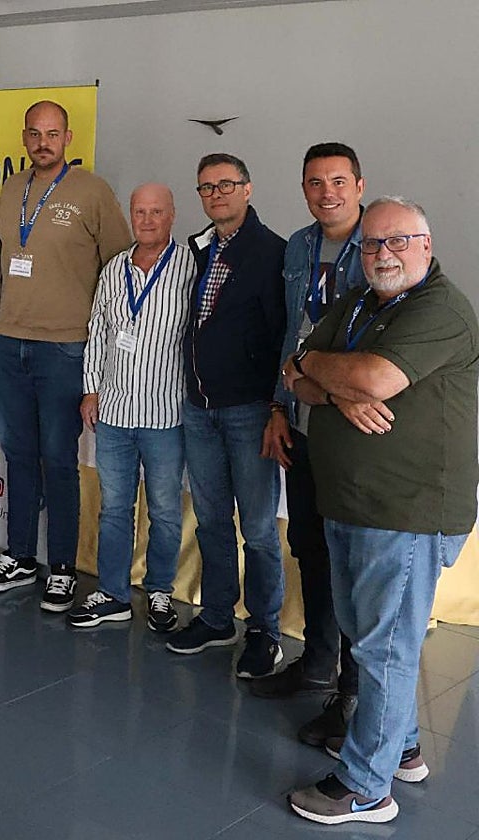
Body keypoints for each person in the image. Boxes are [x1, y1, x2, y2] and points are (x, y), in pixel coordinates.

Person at [286, 197, 478, 825]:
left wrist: (330, 375)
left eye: (397, 241)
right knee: (376, 640)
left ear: (426, 243)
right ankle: (403, 748)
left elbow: (370, 379)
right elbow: (299, 367)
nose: (382, 254)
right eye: (370, 244)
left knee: (383, 650)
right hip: (353, 503)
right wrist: (332, 380)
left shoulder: (440, 308)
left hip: (406, 510)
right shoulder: (364, 301)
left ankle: (366, 788)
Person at [0, 100, 131, 612]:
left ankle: (62, 567)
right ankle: (20, 556)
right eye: (35, 134)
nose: (43, 142)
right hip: (7, 343)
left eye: (53, 134)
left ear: (68, 139)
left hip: (65, 347)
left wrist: (105, 349)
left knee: (58, 461)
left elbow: (119, 269)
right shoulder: (10, 189)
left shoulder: (93, 191)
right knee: (18, 456)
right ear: (24, 138)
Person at [253, 144, 367, 746]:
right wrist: (278, 405)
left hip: (348, 435)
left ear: (358, 184)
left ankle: (352, 695)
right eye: (315, 182)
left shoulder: (379, 247)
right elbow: (286, 334)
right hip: (297, 423)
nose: (327, 192)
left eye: (338, 181)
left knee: (348, 562)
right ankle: (318, 667)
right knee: (310, 548)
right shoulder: (298, 247)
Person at [165, 153, 287, 679]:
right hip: (199, 410)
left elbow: (282, 335)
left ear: (248, 189)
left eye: (226, 185)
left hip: (249, 412)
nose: (216, 195)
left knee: (258, 529)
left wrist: (275, 406)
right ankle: (217, 618)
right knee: (212, 520)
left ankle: (265, 630)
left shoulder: (273, 252)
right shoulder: (198, 249)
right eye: (206, 188)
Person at [70, 183, 196, 631]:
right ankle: (113, 593)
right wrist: (90, 390)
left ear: (172, 214)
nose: (146, 220)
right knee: (115, 507)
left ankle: (160, 591)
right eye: (139, 211)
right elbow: (98, 331)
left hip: (166, 414)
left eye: (156, 211)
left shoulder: (190, 267)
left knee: (163, 509)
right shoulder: (114, 269)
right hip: (115, 413)